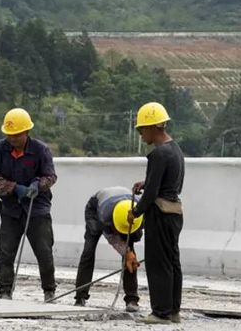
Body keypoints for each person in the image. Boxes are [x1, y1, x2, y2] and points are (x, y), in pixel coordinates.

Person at [0, 108, 58, 301]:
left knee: (44, 251)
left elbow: (51, 176)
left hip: (37, 209)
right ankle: (5, 291)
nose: (13, 139)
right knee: (6, 252)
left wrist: (38, 185)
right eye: (10, 135)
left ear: (26, 132)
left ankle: (49, 291)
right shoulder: (0, 148)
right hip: (11, 209)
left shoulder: (41, 150)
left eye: (17, 135)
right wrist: (13, 188)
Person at [128, 102, 185, 324]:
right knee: (172, 262)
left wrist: (136, 211)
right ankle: (173, 311)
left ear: (154, 127)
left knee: (157, 262)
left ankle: (160, 312)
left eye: (142, 129)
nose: (141, 134)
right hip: (175, 213)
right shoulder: (175, 149)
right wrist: (146, 182)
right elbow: (167, 183)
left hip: (159, 214)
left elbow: (152, 194)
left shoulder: (158, 154)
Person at [74, 186, 143, 311]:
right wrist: (126, 252)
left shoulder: (139, 211)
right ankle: (80, 296)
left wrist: (129, 253)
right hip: (95, 209)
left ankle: (132, 299)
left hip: (125, 213)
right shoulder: (104, 215)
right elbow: (112, 237)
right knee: (89, 250)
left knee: (131, 257)